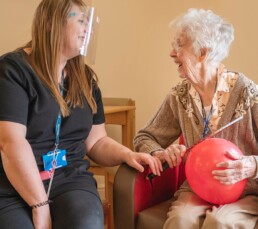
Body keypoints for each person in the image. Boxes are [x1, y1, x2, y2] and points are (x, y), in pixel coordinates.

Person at [0, 0, 162, 229]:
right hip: (15, 183)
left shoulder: (84, 78)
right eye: (81, 20)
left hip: (68, 178)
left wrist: (127, 154)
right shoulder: (13, 71)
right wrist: (40, 206)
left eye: (90, 23)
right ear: (50, 23)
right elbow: (11, 143)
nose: (89, 29)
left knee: (85, 222)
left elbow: (96, 141)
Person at [134, 8, 258, 229]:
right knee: (181, 219)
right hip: (198, 187)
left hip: (243, 190)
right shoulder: (180, 96)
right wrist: (160, 153)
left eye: (179, 45)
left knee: (220, 222)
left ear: (203, 52)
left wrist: (251, 166)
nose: (172, 53)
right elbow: (145, 136)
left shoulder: (247, 93)